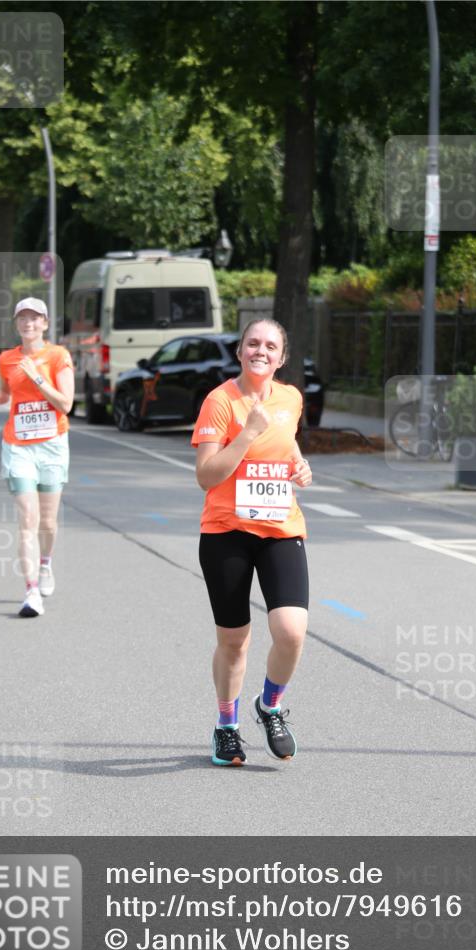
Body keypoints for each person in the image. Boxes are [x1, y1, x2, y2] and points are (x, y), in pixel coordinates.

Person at [192, 318, 313, 766]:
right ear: (240, 351)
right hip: (226, 533)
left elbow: (288, 446)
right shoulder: (219, 402)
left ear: (281, 358)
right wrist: (247, 432)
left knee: (291, 631)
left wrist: (301, 467)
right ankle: (227, 726)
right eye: (253, 343)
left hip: (281, 528)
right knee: (235, 640)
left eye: (270, 346)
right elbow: (206, 475)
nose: (260, 351)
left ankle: (271, 705)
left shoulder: (291, 398)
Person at [0, 298, 74, 618]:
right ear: (16, 323)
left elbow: (66, 404)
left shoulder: (57, 356)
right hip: (18, 445)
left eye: (35, 318)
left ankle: (46, 564)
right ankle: (30, 591)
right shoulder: (7, 359)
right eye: (22, 318)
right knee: (27, 521)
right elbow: (9, 395)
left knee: (48, 523)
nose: (28, 324)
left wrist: (38, 377)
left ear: (45, 324)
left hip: (52, 444)